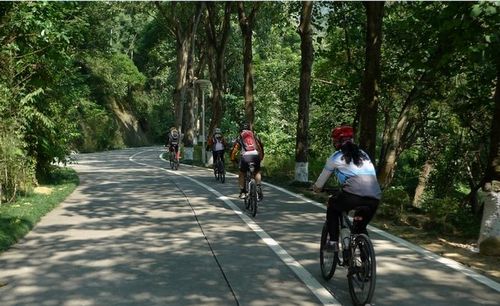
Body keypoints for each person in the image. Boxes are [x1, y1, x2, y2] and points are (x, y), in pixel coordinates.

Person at [312, 124, 381, 251]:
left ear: (337, 142)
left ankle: (333, 242)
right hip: (374, 197)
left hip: (352, 196)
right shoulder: (364, 155)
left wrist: (317, 188)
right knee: (360, 228)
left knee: (333, 205)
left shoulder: (336, 157)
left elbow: (321, 181)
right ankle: (365, 262)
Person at [230, 123, 264, 200]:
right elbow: (260, 147)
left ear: (240, 130)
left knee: (242, 173)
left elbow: (235, 149)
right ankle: (258, 187)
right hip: (255, 156)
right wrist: (261, 158)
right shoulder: (255, 136)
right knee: (257, 172)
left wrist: (232, 158)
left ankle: (242, 191)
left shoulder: (240, 137)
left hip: (245, 157)